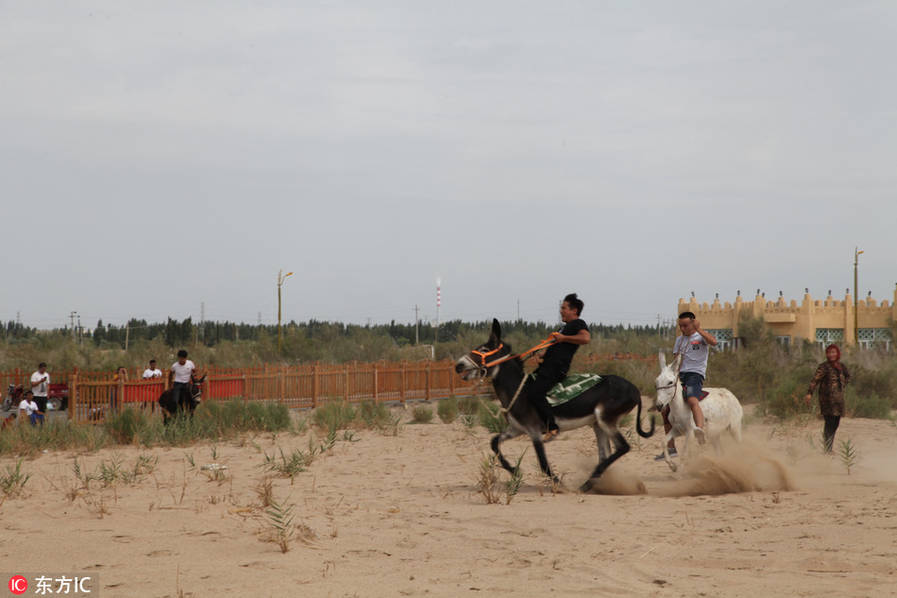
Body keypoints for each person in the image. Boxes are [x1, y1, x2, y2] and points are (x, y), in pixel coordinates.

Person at [527, 293, 591, 441]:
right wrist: (541, 354)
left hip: (556, 369)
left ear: (574, 311)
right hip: (547, 367)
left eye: (564, 308)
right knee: (526, 387)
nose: (561, 311)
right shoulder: (563, 328)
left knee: (535, 393)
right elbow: (556, 347)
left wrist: (564, 338)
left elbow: (586, 338)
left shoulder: (578, 323)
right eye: (561, 308)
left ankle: (552, 427)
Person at [655, 311, 717, 460]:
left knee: (691, 399)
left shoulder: (700, 337)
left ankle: (699, 430)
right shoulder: (679, 340)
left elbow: (713, 342)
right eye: (680, 326)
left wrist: (699, 329)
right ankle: (670, 448)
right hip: (680, 375)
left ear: (693, 323)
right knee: (665, 409)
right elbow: (677, 360)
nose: (682, 328)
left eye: (685, 325)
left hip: (694, 375)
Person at [804, 344, 850, 453]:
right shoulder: (823, 366)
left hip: (838, 400)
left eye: (833, 352)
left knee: (836, 423)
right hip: (827, 400)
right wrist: (809, 393)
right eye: (829, 352)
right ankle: (827, 449)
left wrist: (842, 385)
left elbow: (848, 376)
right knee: (829, 423)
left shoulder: (841, 366)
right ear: (827, 354)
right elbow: (815, 380)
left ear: (837, 353)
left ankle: (829, 447)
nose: (831, 354)